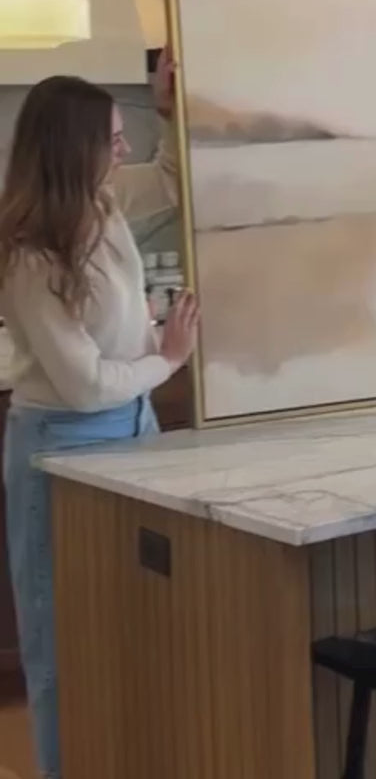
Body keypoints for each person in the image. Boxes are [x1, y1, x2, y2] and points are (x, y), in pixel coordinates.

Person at [0, 54, 199, 779]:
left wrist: (168, 110)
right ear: (73, 147)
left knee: (130, 629)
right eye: (113, 138)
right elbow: (84, 387)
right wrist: (167, 360)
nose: (123, 148)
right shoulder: (29, 254)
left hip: (132, 430)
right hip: (61, 446)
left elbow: (174, 180)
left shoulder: (105, 206)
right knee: (59, 643)